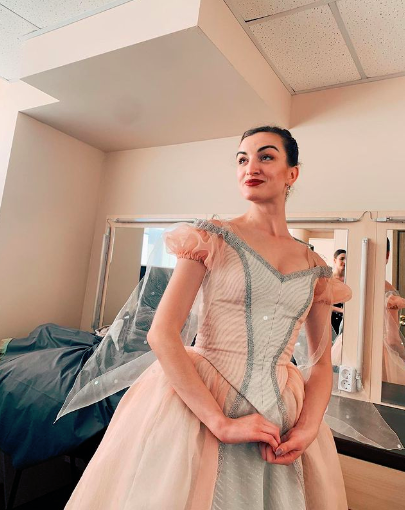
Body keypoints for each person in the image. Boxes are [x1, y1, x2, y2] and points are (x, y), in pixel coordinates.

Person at [63, 126, 352, 509]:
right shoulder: (212, 237)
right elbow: (162, 334)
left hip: (282, 414)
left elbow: (319, 364)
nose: (251, 167)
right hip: (199, 406)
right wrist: (221, 423)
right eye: (242, 159)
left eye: (266, 157)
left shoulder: (315, 269)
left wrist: (310, 426)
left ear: (292, 173)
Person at [383, 238, 405, 385]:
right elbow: (392, 340)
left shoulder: (354, 284)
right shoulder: (388, 292)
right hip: (382, 355)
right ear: (388, 255)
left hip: (345, 348)